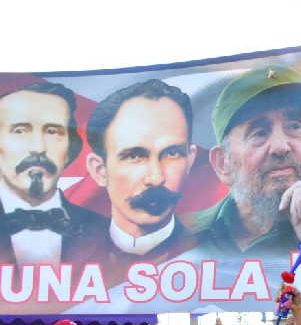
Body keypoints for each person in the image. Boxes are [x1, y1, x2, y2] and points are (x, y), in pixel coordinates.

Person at [188, 65, 301, 256]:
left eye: (294, 126)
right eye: (259, 132)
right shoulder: (182, 238)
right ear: (223, 163)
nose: (281, 147)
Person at [84, 78, 197, 262]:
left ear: (190, 161)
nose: (156, 178)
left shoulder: (220, 254)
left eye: (172, 154)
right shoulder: (66, 258)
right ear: (100, 170)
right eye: (134, 156)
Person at [0, 82, 104, 266]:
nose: (38, 148)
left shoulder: (105, 232)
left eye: (52, 132)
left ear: (69, 150)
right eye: (20, 131)